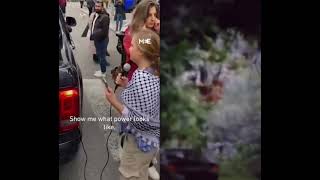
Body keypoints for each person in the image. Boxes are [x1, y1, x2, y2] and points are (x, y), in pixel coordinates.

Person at [105, 29, 160, 180]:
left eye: (133, 46)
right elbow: (146, 101)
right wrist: (128, 84)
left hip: (139, 142)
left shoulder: (141, 77)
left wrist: (114, 102)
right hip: (152, 141)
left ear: (141, 52)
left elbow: (140, 119)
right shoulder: (153, 71)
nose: (129, 49)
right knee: (141, 173)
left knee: (129, 175)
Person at [123, 0, 160, 82]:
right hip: (137, 80)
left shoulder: (155, 30)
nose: (153, 19)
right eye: (149, 15)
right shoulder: (131, 32)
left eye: (155, 15)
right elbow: (142, 51)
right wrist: (142, 34)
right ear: (141, 16)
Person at [90, 0, 111, 78]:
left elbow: (104, 32)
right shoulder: (96, 15)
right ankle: (102, 70)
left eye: (99, 6)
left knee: (101, 57)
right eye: (96, 6)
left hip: (101, 40)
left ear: (102, 7)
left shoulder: (105, 17)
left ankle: (103, 73)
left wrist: (96, 37)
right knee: (99, 55)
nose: (97, 8)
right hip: (97, 40)